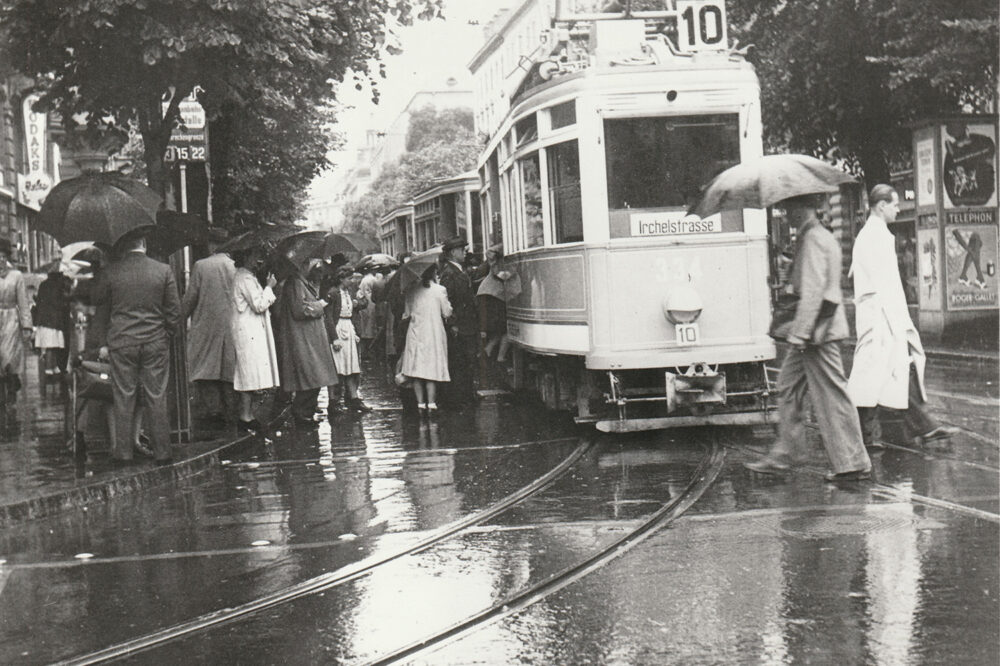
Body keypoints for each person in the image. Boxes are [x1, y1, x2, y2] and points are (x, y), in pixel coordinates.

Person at [745, 193, 871, 482]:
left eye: (789, 207)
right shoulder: (816, 235)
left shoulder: (813, 238)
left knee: (832, 395)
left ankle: (852, 463)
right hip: (815, 330)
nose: (786, 213)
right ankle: (788, 452)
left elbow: (814, 290)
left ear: (803, 208)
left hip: (817, 332)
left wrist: (799, 334)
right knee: (787, 385)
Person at [848, 184, 956, 449]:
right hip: (881, 317)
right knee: (881, 375)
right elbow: (886, 284)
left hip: (880, 316)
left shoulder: (872, 234)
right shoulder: (876, 236)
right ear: (881, 205)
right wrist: (900, 320)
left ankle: (885, 433)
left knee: (888, 374)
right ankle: (871, 436)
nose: (898, 209)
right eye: (895, 205)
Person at [96, 235, 180, 464]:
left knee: (123, 396)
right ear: (144, 243)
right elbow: (174, 311)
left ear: (125, 246)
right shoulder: (163, 271)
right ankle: (163, 452)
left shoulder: (111, 272)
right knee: (156, 395)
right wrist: (165, 335)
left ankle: (123, 453)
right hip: (155, 342)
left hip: (122, 343)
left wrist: (105, 342)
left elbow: (102, 310)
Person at [180, 228, 236, 423]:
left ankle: (214, 412)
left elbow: (190, 299)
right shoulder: (234, 266)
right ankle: (231, 412)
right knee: (228, 370)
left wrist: (179, 318)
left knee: (206, 370)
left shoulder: (201, 266)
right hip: (231, 327)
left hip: (206, 326)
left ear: (212, 244)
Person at [274, 259, 338, 426]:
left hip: (309, 338)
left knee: (314, 378)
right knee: (311, 377)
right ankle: (302, 414)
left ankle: (305, 414)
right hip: (303, 338)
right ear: (301, 266)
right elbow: (299, 309)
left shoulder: (301, 282)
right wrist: (321, 305)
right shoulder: (295, 283)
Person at [231, 247, 280, 432]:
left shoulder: (247, 277)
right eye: (255, 255)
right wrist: (269, 287)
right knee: (248, 372)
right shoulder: (244, 278)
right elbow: (259, 304)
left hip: (250, 329)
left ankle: (248, 415)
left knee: (250, 371)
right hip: (247, 329)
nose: (259, 259)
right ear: (245, 256)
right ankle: (245, 416)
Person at [401, 264, 452, 411]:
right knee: (431, 367)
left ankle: (420, 404)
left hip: (416, 332)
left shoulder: (411, 290)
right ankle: (431, 403)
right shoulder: (440, 290)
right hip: (433, 332)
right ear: (434, 272)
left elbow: (407, 313)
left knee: (417, 368)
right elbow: (446, 312)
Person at [325, 263, 372, 414]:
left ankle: (353, 398)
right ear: (341, 279)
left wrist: (357, 303)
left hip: (349, 328)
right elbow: (329, 318)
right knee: (337, 368)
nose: (351, 281)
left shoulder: (350, 292)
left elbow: (361, 304)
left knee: (352, 366)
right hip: (339, 329)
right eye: (349, 278)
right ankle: (333, 402)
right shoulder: (333, 293)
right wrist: (334, 338)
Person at [438, 236, 478, 406]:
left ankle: (466, 395)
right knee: (460, 361)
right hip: (460, 326)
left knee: (466, 360)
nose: (464, 253)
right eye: (462, 250)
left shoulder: (457, 271)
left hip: (466, 324)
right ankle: (460, 398)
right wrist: (453, 324)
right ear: (454, 252)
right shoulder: (450, 274)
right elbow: (449, 300)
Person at [0, 238, 32, 398]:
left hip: (11, 319)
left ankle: (12, 379)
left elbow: (23, 302)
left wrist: (27, 325)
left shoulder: (16, 276)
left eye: (3, 256)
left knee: (8, 354)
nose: (1, 259)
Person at [34, 268, 71, 378]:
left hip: (44, 320)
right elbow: (60, 303)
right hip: (54, 320)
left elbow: (39, 302)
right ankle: (50, 369)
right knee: (52, 346)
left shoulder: (43, 285)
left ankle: (52, 367)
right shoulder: (58, 286)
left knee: (50, 346)